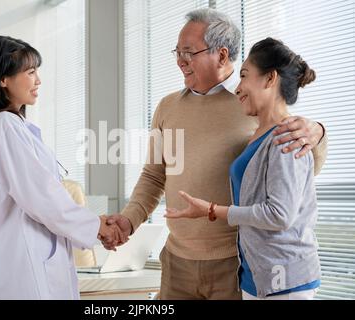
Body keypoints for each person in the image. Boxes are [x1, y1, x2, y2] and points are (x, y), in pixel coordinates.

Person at [103, 9, 327, 299]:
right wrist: (129, 220)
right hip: (177, 261)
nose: (180, 61)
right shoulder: (167, 108)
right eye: (177, 51)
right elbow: (153, 176)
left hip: (234, 262)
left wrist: (319, 132)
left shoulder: (251, 103)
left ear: (222, 55)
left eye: (189, 52)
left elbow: (302, 165)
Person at [0, 36, 122, 299]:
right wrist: (97, 225)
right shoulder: (4, 125)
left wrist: (95, 224)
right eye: (31, 72)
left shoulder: (13, 126)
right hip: (23, 266)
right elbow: (41, 195)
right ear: (3, 79)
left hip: (32, 257)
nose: (38, 80)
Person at [165, 37, 321, 300]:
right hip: (255, 276)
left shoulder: (288, 137)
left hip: (283, 279)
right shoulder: (259, 134)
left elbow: (279, 215)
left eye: (245, 76)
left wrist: (212, 210)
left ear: (270, 79)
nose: (237, 88)